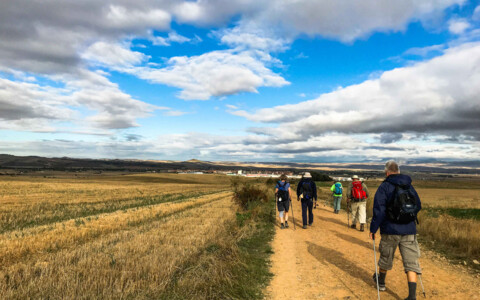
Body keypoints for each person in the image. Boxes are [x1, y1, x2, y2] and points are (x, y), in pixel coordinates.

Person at [370, 161, 422, 300]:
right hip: (409, 229)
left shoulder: (384, 186)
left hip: (390, 229)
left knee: (386, 256)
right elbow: (418, 205)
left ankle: (381, 282)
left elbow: (379, 211)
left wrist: (373, 228)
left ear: (386, 172)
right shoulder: (408, 185)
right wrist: (408, 219)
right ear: (398, 171)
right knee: (411, 262)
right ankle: (412, 296)